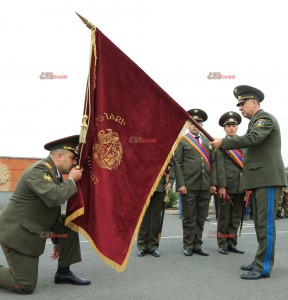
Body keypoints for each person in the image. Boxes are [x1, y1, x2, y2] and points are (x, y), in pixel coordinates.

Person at [211, 85, 286, 280]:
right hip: (260, 180)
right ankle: (259, 260)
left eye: (243, 104)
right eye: (239, 105)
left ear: (255, 103)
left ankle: (263, 267)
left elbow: (253, 139)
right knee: (261, 224)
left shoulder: (264, 119)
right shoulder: (255, 122)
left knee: (266, 225)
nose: (241, 108)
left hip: (267, 180)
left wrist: (224, 143)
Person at [0, 135, 90, 294]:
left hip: (32, 229)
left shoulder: (54, 173)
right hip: (17, 235)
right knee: (25, 285)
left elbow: (52, 212)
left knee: (70, 222)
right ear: (60, 156)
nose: (75, 163)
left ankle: (63, 273)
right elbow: (55, 198)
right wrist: (72, 180)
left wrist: (57, 240)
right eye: (72, 158)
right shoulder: (39, 170)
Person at [174, 109, 217, 257]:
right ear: (187, 124)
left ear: (201, 125)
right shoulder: (182, 140)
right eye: (192, 122)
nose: (195, 125)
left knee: (201, 217)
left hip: (205, 186)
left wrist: (213, 183)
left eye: (198, 122)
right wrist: (180, 184)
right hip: (189, 186)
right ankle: (188, 245)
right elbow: (177, 163)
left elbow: (213, 163)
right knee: (188, 217)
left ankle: (198, 245)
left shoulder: (207, 141)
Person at [215, 111, 245, 255]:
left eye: (234, 125)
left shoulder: (243, 143)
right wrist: (221, 186)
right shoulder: (221, 145)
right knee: (224, 217)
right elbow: (219, 167)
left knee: (236, 217)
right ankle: (222, 243)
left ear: (237, 128)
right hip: (226, 187)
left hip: (241, 186)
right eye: (229, 126)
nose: (231, 128)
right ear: (224, 128)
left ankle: (232, 243)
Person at [137, 163, 174, 257]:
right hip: (144, 184)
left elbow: (173, 165)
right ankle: (142, 246)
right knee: (144, 218)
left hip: (160, 186)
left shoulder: (166, 148)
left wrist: (170, 181)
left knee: (155, 218)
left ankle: (153, 246)